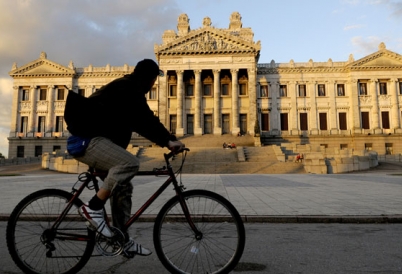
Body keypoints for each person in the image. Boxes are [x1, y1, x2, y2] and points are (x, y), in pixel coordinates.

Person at [64, 59, 184, 258]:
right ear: (148, 78)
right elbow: (145, 119)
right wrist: (168, 141)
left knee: (123, 186)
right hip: (85, 140)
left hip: (96, 139)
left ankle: (121, 239)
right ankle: (92, 209)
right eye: (154, 80)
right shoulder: (128, 89)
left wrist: (168, 139)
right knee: (129, 163)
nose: (154, 85)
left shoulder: (130, 89)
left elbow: (144, 120)